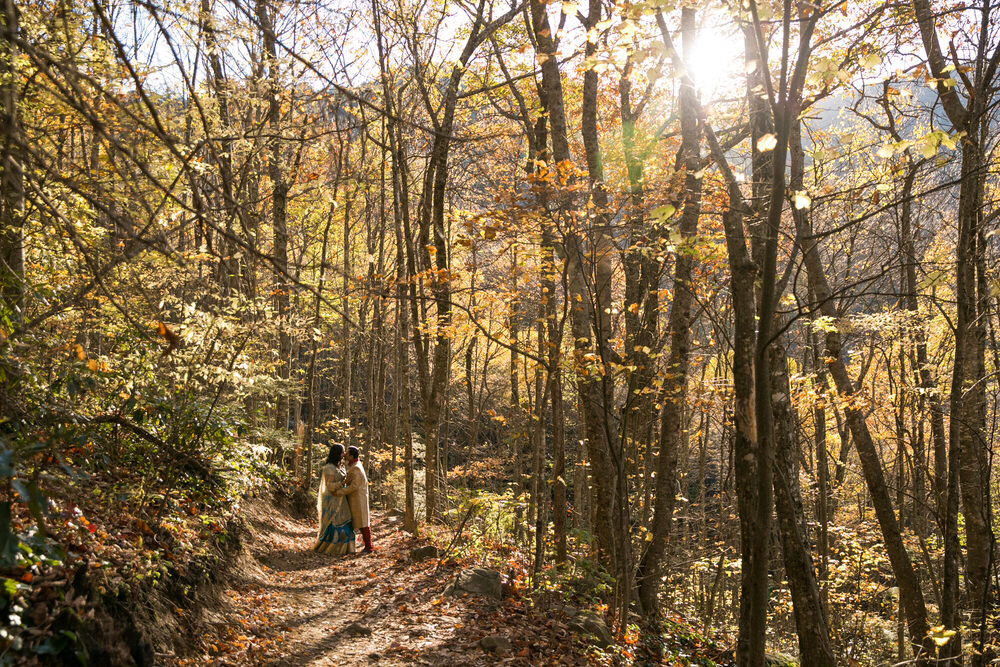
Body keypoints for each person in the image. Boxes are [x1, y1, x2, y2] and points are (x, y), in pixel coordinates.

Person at [314, 444, 355, 555]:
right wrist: (343, 483)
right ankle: (331, 549)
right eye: (342, 452)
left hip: (341, 498)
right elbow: (330, 486)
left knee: (346, 521)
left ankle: (346, 549)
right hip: (331, 500)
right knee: (334, 524)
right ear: (337, 454)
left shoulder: (340, 466)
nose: (344, 454)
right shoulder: (329, 468)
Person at [334, 445, 372, 553]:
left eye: (347, 452)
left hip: (358, 499)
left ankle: (369, 547)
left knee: (363, 523)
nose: (345, 454)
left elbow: (354, 486)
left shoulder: (356, 467)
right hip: (354, 498)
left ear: (351, 456)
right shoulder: (353, 465)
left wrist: (340, 492)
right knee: (359, 523)